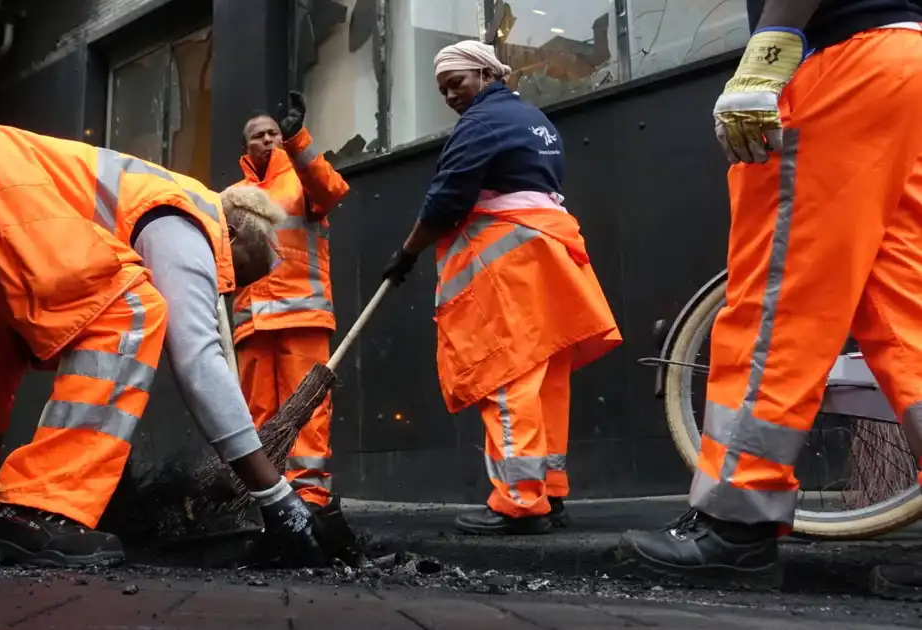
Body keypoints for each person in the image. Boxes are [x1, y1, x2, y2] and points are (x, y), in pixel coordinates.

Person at [0, 123, 330, 568]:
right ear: (229, 238)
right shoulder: (194, 218)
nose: (219, 287)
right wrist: (275, 495)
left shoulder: (150, 196)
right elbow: (198, 358)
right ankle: (37, 509)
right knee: (134, 311)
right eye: (231, 275)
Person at [618, 0, 922, 597]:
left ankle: (735, 527)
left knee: (779, 299)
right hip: (902, 60)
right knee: (904, 308)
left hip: (842, 60)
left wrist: (768, 48)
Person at [382, 41, 621, 536]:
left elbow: (447, 197)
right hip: (550, 249)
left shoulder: (481, 123)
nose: (451, 95)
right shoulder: (535, 120)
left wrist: (407, 252)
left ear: (488, 73)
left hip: (509, 264)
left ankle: (517, 500)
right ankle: (549, 490)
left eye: (458, 82)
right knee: (547, 373)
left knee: (507, 376)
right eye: (443, 89)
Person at [233, 93, 354, 535]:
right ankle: (267, 499)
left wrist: (299, 138)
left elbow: (333, 188)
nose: (265, 139)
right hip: (252, 323)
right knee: (257, 413)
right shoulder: (234, 196)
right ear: (245, 148)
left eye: (272, 133)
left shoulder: (303, 180)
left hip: (301, 315)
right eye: (256, 136)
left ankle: (310, 496)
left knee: (307, 411)